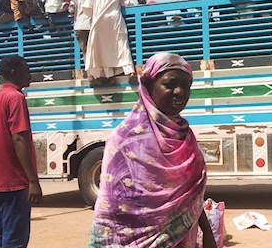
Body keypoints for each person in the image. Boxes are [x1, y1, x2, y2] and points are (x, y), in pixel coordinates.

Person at [89, 53, 217, 248]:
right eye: (170, 84)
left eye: (186, 86)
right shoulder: (124, 140)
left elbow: (191, 198)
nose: (180, 92)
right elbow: (109, 213)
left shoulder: (185, 136)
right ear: (148, 87)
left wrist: (208, 235)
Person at [0, 56, 42, 248]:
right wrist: (33, 181)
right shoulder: (16, 98)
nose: (30, 75)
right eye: (26, 70)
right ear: (14, 73)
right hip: (14, 180)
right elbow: (19, 139)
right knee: (15, 238)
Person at [83, 0, 135, 84]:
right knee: (121, 45)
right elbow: (129, 3)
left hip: (99, 21)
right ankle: (130, 71)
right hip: (115, 20)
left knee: (102, 50)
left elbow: (87, 7)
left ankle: (109, 75)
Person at [69, 0, 96, 69]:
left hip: (79, 26)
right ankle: (97, 75)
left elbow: (71, 11)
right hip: (91, 26)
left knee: (85, 52)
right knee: (94, 51)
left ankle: (90, 75)